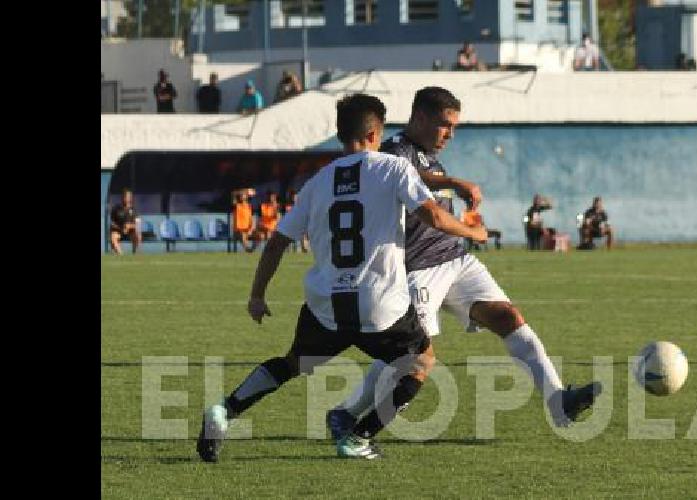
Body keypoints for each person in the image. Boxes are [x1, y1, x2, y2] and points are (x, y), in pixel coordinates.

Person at [196, 92, 488, 462]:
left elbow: (276, 244)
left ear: (341, 134)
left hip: (327, 304)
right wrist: (472, 232)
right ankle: (359, 437)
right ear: (375, 134)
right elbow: (432, 215)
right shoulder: (393, 168)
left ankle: (224, 410)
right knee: (421, 361)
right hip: (380, 305)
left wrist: (257, 295)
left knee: (291, 364)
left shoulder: (317, 183)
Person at [325, 87, 601, 441]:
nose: (449, 135)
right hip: (417, 269)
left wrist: (465, 221)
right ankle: (346, 413)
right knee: (410, 355)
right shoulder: (394, 151)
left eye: (454, 127)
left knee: (509, 318)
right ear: (420, 117)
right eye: (444, 125)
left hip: (455, 259)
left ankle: (558, 400)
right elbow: (405, 175)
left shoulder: (430, 158)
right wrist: (454, 182)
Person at [109, 189, 142, 255]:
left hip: (130, 231)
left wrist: (129, 226)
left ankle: (135, 253)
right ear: (122, 197)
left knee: (138, 234)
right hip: (118, 230)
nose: (127, 198)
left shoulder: (133, 209)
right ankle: (121, 255)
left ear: (131, 198)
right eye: (125, 196)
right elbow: (112, 223)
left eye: (129, 197)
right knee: (113, 237)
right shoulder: (116, 208)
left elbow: (138, 224)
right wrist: (121, 228)